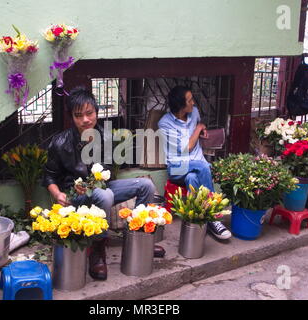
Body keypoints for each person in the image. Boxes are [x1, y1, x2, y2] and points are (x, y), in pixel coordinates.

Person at [43, 87, 165, 281]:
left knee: (146, 186)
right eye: (78, 115)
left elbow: (106, 172)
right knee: (105, 195)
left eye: (89, 113)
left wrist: (98, 181)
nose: (85, 119)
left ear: (96, 112)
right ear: (72, 117)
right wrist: (58, 194)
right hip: (75, 197)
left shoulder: (106, 138)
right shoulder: (60, 143)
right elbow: (49, 176)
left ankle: (140, 237)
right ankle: (97, 250)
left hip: (100, 189)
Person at [158, 85, 232, 240]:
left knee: (192, 178)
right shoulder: (165, 124)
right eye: (190, 100)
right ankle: (213, 217)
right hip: (177, 168)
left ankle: (200, 220)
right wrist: (198, 128)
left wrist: (202, 128)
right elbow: (186, 148)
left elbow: (199, 125)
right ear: (180, 106)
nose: (193, 103)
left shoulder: (195, 113)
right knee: (203, 166)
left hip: (195, 166)